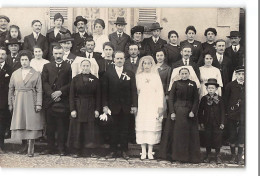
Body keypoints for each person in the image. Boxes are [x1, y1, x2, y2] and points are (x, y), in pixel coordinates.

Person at [159, 67, 200, 163]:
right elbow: (171, 99)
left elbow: (196, 100)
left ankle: (187, 157)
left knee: (187, 135)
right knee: (176, 134)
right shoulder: (176, 83)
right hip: (177, 111)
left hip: (189, 113)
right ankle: (174, 156)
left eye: (186, 73)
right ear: (179, 74)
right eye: (182, 73)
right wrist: (172, 112)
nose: (184, 75)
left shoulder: (193, 84)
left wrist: (193, 111)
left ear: (189, 74)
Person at [102, 51, 137, 160]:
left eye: (121, 58)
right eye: (117, 58)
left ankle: (124, 150)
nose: (119, 60)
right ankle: (112, 150)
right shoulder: (108, 73)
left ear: (124, 60)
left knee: (124, 129)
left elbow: (133, 91)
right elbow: (105, 91)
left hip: (126, 107)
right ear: (114, 59)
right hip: (113, 107)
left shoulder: (130, 73)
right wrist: (105, 105)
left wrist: (134, 105)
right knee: (113, 129)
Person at [8, 50, 44, 157]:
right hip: (18, 100)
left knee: (31, 122)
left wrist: (38, 103)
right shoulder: (15, 73)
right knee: (22, 121)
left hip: (30, 99)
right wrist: (11, 103)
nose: (24, 62)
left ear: (30, 61)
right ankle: (24, 145)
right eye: (22, 60)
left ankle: (31, 146)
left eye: (26, 60)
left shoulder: (36, 74)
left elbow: (39, 90)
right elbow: (11, 89)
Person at [41, 45, 72, 156]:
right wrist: (51, 94)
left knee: (62, 126)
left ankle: (61, 148)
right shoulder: (47, 66)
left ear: (63, 53)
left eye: (60, 53)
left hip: (62, 100)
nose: (58, 56)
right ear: (52, 54)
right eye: (56, 53)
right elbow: (44, 82)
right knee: (50, 126)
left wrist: (60, 92)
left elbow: (70, 83)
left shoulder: (68, 66)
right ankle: (50, 148)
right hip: (50, 101)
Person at [68, 59, 101, 158]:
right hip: (79, 106)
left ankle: (90, 150)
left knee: (90, 129)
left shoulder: (95, 79)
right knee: (78, 128)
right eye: (83, 66)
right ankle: (77, 150)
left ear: (90, 67)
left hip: (91, 105)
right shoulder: (75, 79)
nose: (85, 68)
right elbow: (71, 95)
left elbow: (98, 96)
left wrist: (97, 110)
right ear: (80, 67)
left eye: (87, 66)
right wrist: (72, 109)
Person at [135, 55, 164, 160]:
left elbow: (160, 92)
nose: (146, 65)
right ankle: (143, 151)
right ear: (142, 65)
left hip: (153, 104)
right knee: (142, 125)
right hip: (142, 104)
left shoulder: (156, 76)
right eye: (144, 63)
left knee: (151, 125)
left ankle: (150, 151)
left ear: (152, 65)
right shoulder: (138, 76)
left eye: (149, 63)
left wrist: (160, 106)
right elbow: (136, 92)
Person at [198, 78, 225, 164]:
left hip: (217, 123)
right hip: (207, 122)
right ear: (206, 89)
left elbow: (223, 112)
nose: (211, 90)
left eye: (212, 88)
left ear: (216, 89)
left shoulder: (220, 99)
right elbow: (200, 111)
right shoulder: (204, 99)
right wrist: (201, 122)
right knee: (208, 138)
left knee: (217, 139)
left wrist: (222, 122)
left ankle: (217, 156)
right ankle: (208, 155)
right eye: (209, 88)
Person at [225, 66, 245, 165]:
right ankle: (233, 156)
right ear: (236, 75)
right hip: (232, 114)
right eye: (239, 74)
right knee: (232, 135)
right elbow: (226, 100)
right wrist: (227, 113)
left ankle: (240, 156)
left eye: (243, 74)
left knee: (242, 135)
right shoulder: (230, 86)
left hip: (244, 115)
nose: (241, 76)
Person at [0, 47, 12, 153]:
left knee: (2, 124)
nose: (0, 56)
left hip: (3, 101)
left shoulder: (10, 69)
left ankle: (1, 145)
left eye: (3, 54)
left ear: (6, 56)